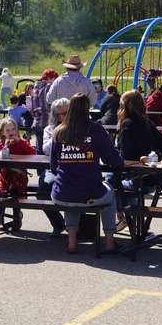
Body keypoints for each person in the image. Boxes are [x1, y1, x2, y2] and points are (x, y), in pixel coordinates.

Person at [50, 93, 123, 254]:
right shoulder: (96, 130)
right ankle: (109, 242)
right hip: (89, 193)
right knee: (110, 194)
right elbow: (113, 159)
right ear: (87, 109)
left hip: (61, 194)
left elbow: (54, 166)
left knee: (71, 190)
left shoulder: (59, 132)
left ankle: (71, 241)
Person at [115, 90, 162, 213]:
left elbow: (125, 156)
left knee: (110, 180)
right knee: (127, 180)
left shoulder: (127, 125)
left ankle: (123, 214)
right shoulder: (147, 122)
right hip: (154, 178)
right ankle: (131, 215)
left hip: (140, 179)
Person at [0, 117, 36, 198]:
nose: (11, 132)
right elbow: (1, 158)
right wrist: (5, 147)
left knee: (15, 190)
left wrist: (19, 141)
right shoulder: (1, 143)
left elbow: (33, 152)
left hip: (19, 173)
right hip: (4, 173)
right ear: (2, 132)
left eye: (13, 129)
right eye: (7, 130)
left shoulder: (22, 141)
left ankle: (16, 209)